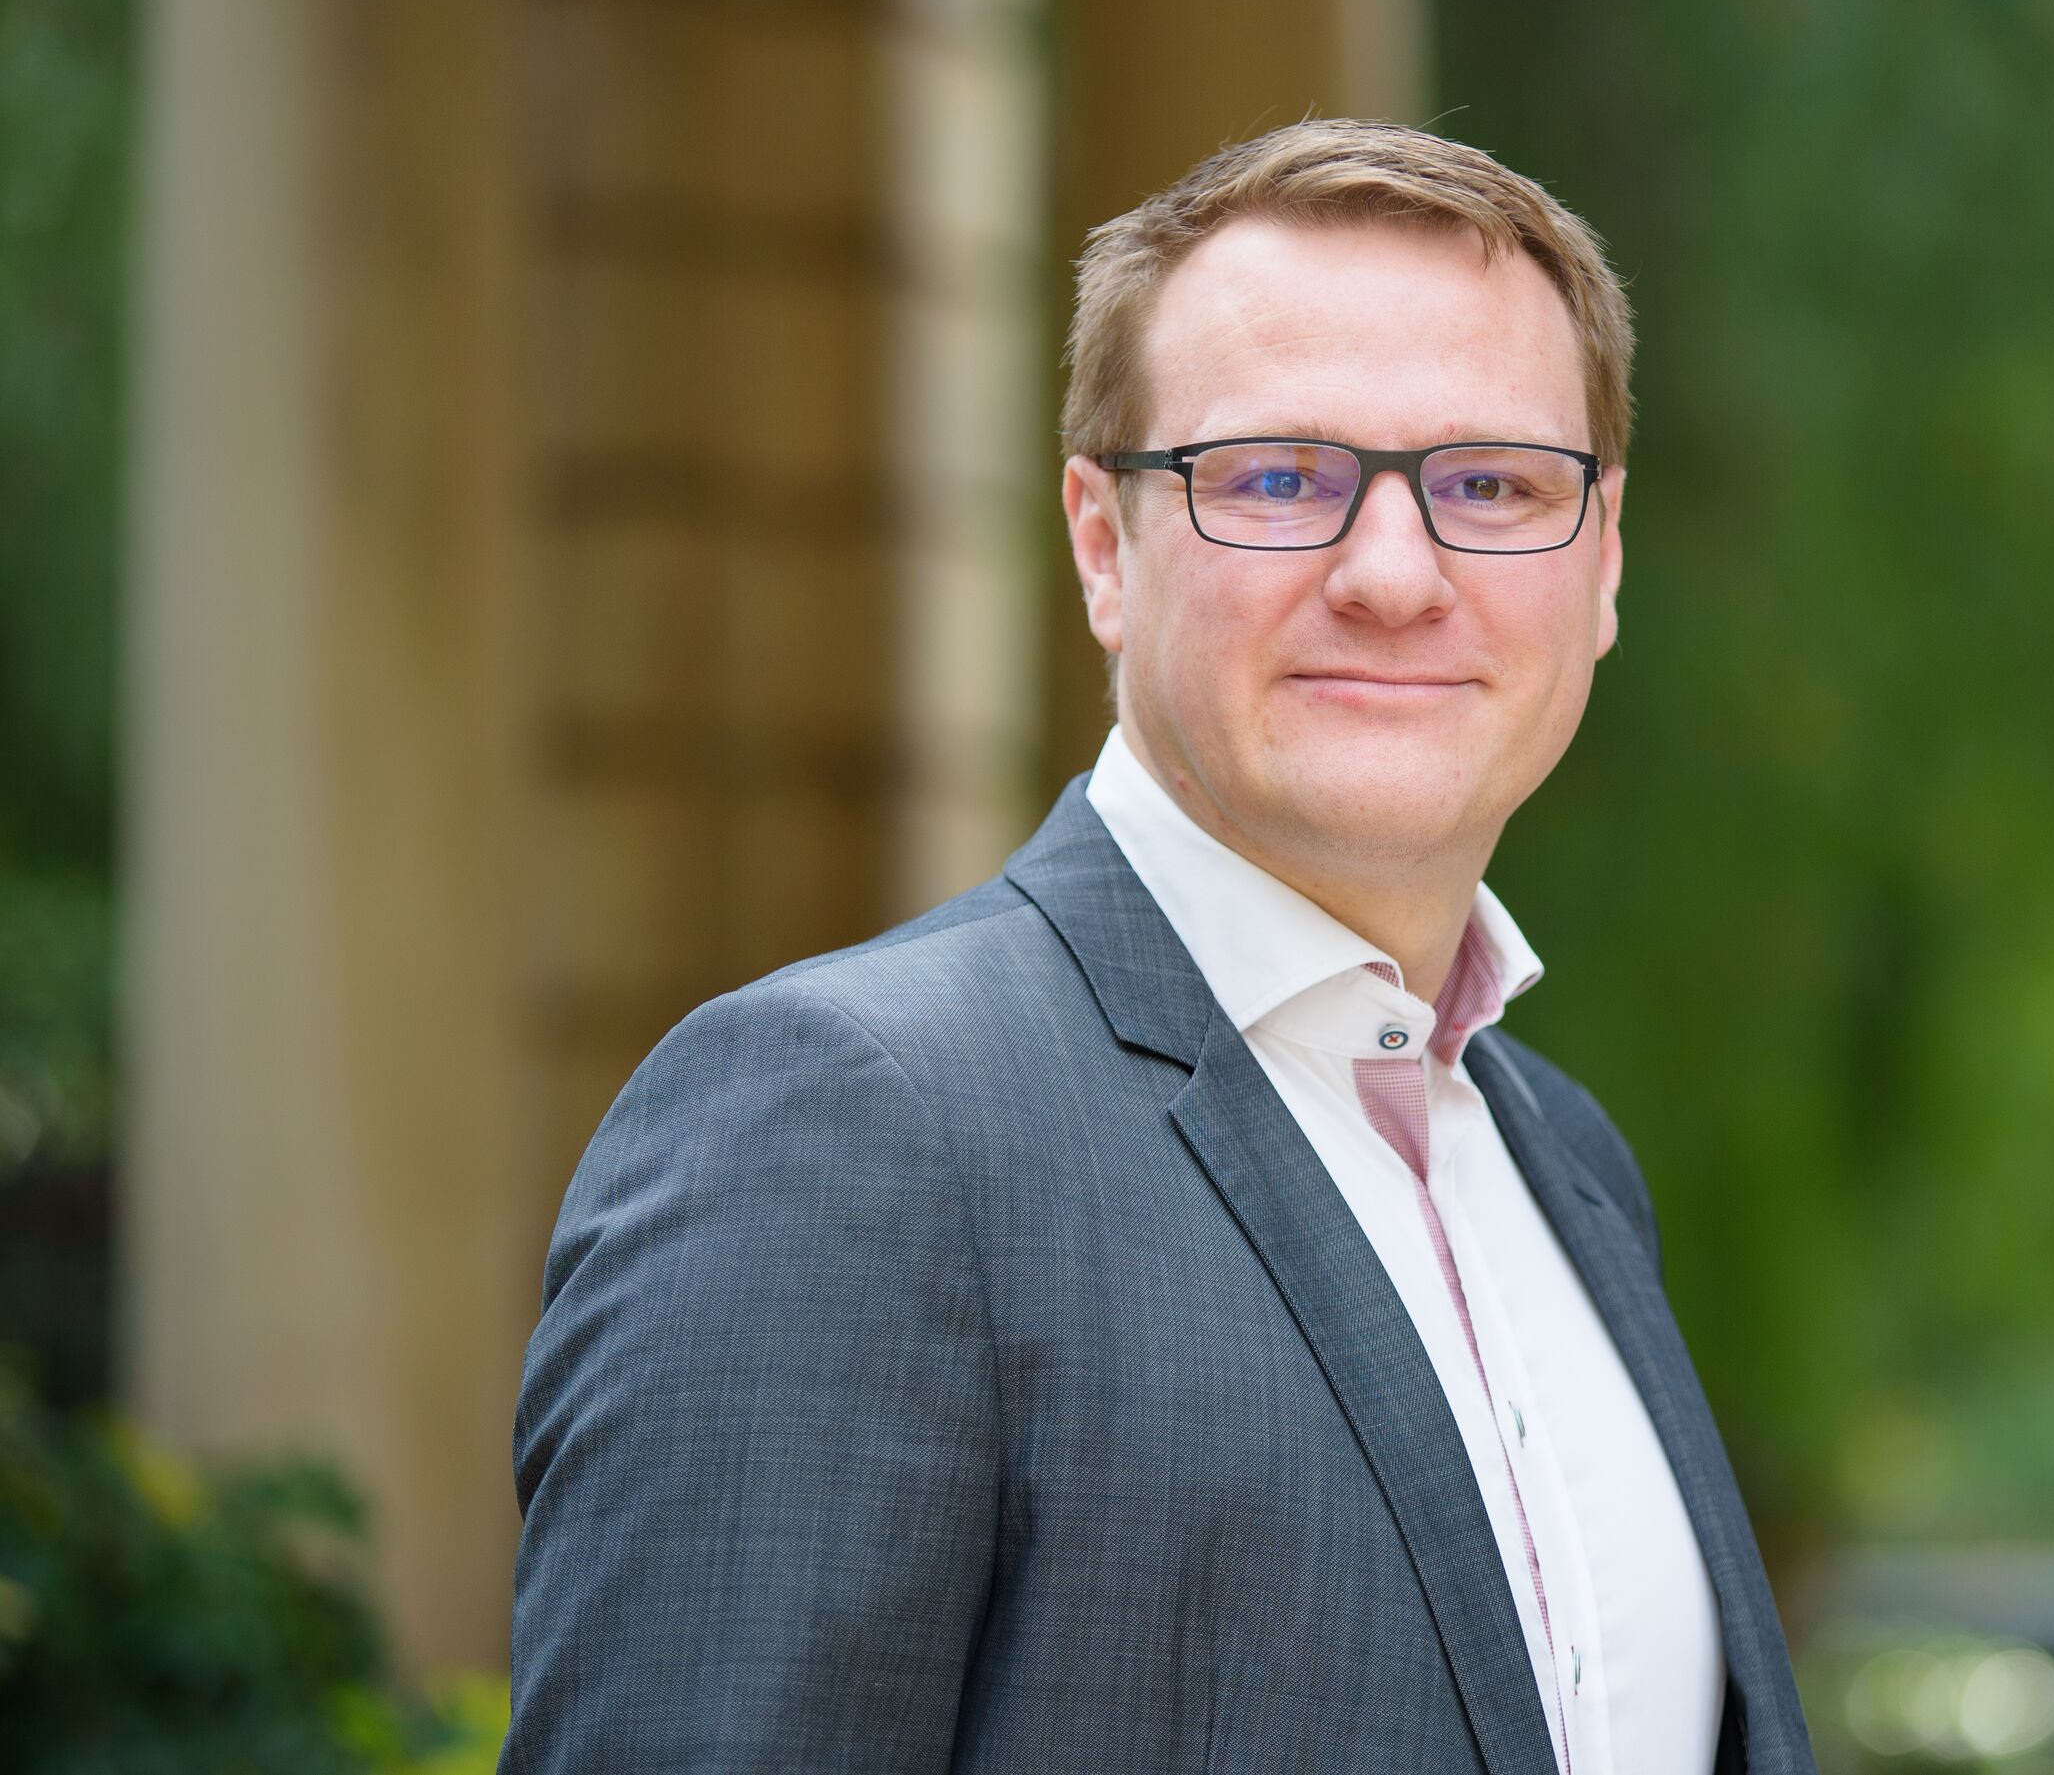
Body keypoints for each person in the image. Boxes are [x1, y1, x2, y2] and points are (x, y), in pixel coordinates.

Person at [501, 120, 1816, 1774]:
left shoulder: (1569, 1166)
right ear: (1101, 543)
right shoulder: (844, 1131)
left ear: (1602, 559)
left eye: (1491, 484)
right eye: (1277, 478)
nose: (1393, 573)